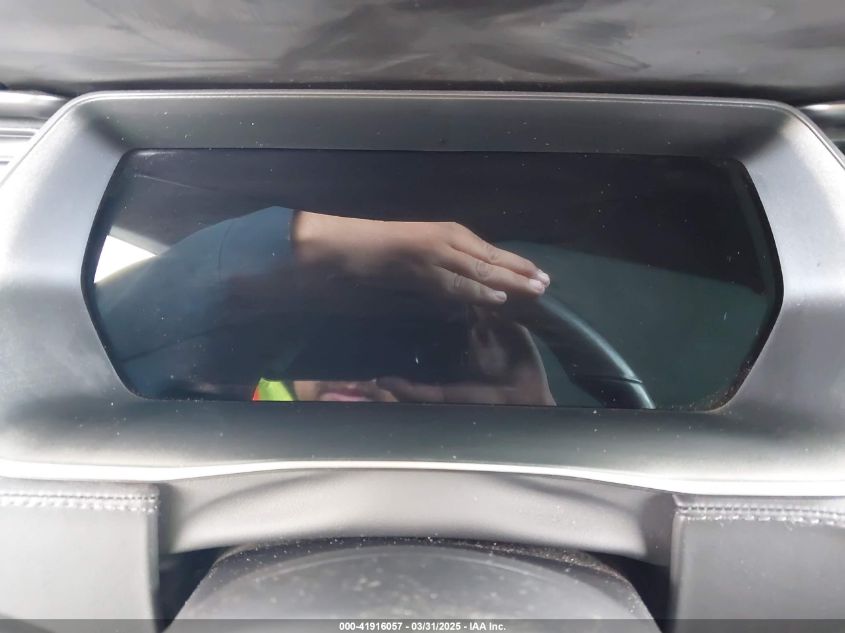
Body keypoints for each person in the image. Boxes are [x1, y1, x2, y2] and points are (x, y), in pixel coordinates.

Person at [95, 206, 554, 404]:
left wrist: (533, 430)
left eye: (397, 338)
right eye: (345, 328)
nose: (357, 376)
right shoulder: (218, 413)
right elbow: (84, 359)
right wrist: (297, 244)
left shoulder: (472, 447)